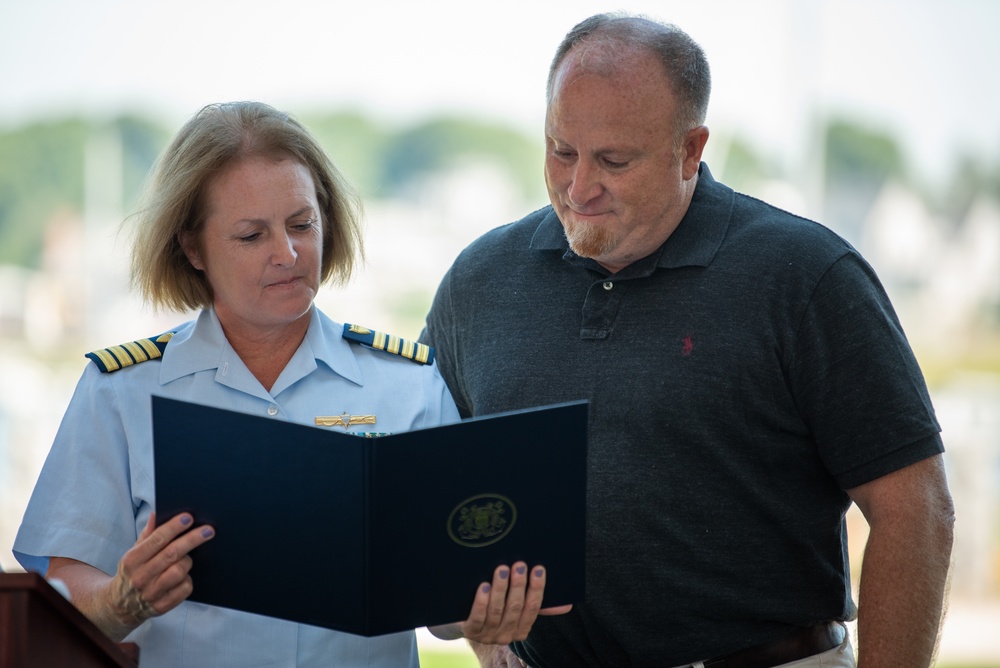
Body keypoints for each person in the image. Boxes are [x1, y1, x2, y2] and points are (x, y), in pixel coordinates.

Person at [420, 13, 955, 668]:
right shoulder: (480, 280)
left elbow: (915, 508)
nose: (579, 186)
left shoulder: (807, 277)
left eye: (614, 161)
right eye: (562, 150)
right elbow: (425, 499)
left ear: (691, 150)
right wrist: (472, 624)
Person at [13, 101, 553, 667]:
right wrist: (122, 599)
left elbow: (444, 610)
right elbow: (60, 592)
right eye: (252, 235)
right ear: (191, 247)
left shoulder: (406, 385)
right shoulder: (120, 392)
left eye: (302, 224)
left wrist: (480, 606)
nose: (288, 254)